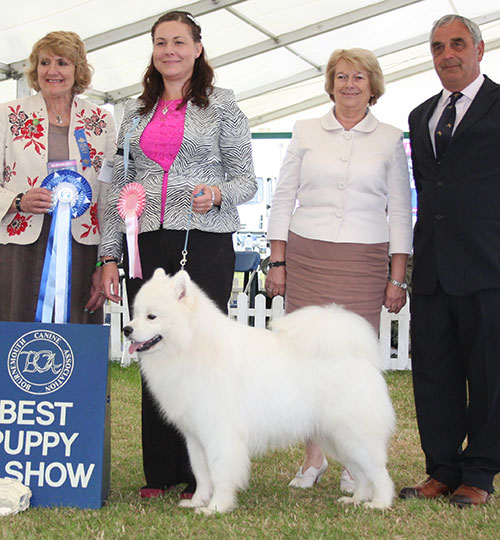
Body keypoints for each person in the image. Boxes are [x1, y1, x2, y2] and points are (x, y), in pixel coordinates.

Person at [99, 11, 256, 500]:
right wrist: (109, 255)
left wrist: (216, 192)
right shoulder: (134, 111)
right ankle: (160, 472)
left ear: (198, 48)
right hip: (145, 240)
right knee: (154, 352)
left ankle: (206, 474)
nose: (170, 51)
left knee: (203, 359)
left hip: (204, 239)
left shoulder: (224, 107)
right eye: (161, 43)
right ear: (152, 50)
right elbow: (116, 189)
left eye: (179, 42)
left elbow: (246, 180)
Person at [265, 48, 412, 493]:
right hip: (307, 257)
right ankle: (314, 456)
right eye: (342, 76)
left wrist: (396, 275)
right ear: (330, 83)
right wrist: (278, 261)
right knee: (305, 360)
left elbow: (401, 212)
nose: (350, 84)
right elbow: (284, 196)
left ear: (373, 85)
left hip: (365, 260)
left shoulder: (389, 137)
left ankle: (353, 458)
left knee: (353, 364)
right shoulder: (306, 130)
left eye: (360, 77)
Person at [399, 14, 500, 507]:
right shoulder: (421, 116)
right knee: (433, 373)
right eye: (438, 47)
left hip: (488, 267)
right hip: (434, 268)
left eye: (458, 44)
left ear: (480, 49)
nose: (448, 55)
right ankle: (440, 469)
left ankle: (479, 473)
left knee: (488, 375)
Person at [0, 31, 116, 323]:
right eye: (44, 62)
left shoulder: (100, 121)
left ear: (78, 71)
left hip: (81, 247)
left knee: (75, 336)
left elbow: (108, 195)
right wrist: (17, 200)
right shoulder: (9, 116)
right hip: (19, 246)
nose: (52, 71)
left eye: (62, 63)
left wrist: (105, 262)